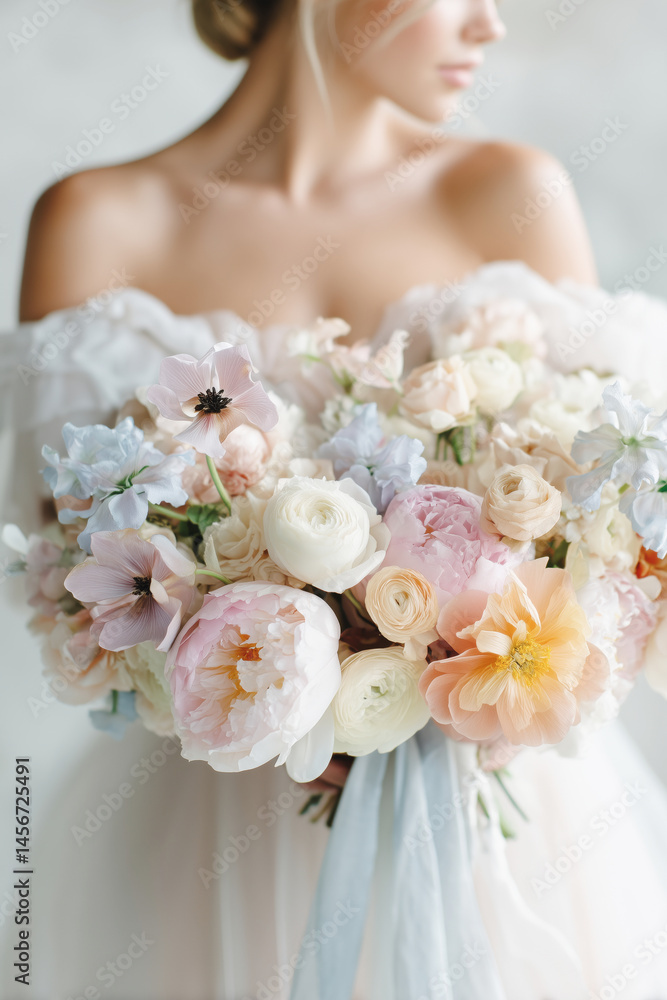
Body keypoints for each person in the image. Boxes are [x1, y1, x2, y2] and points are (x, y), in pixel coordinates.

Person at [4, 0, 667, 997]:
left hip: (507, 817)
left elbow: (608, 515)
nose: (489, 25)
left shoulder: (510, 192)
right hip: (209, 829)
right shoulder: (97, 220)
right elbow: (69, 575)